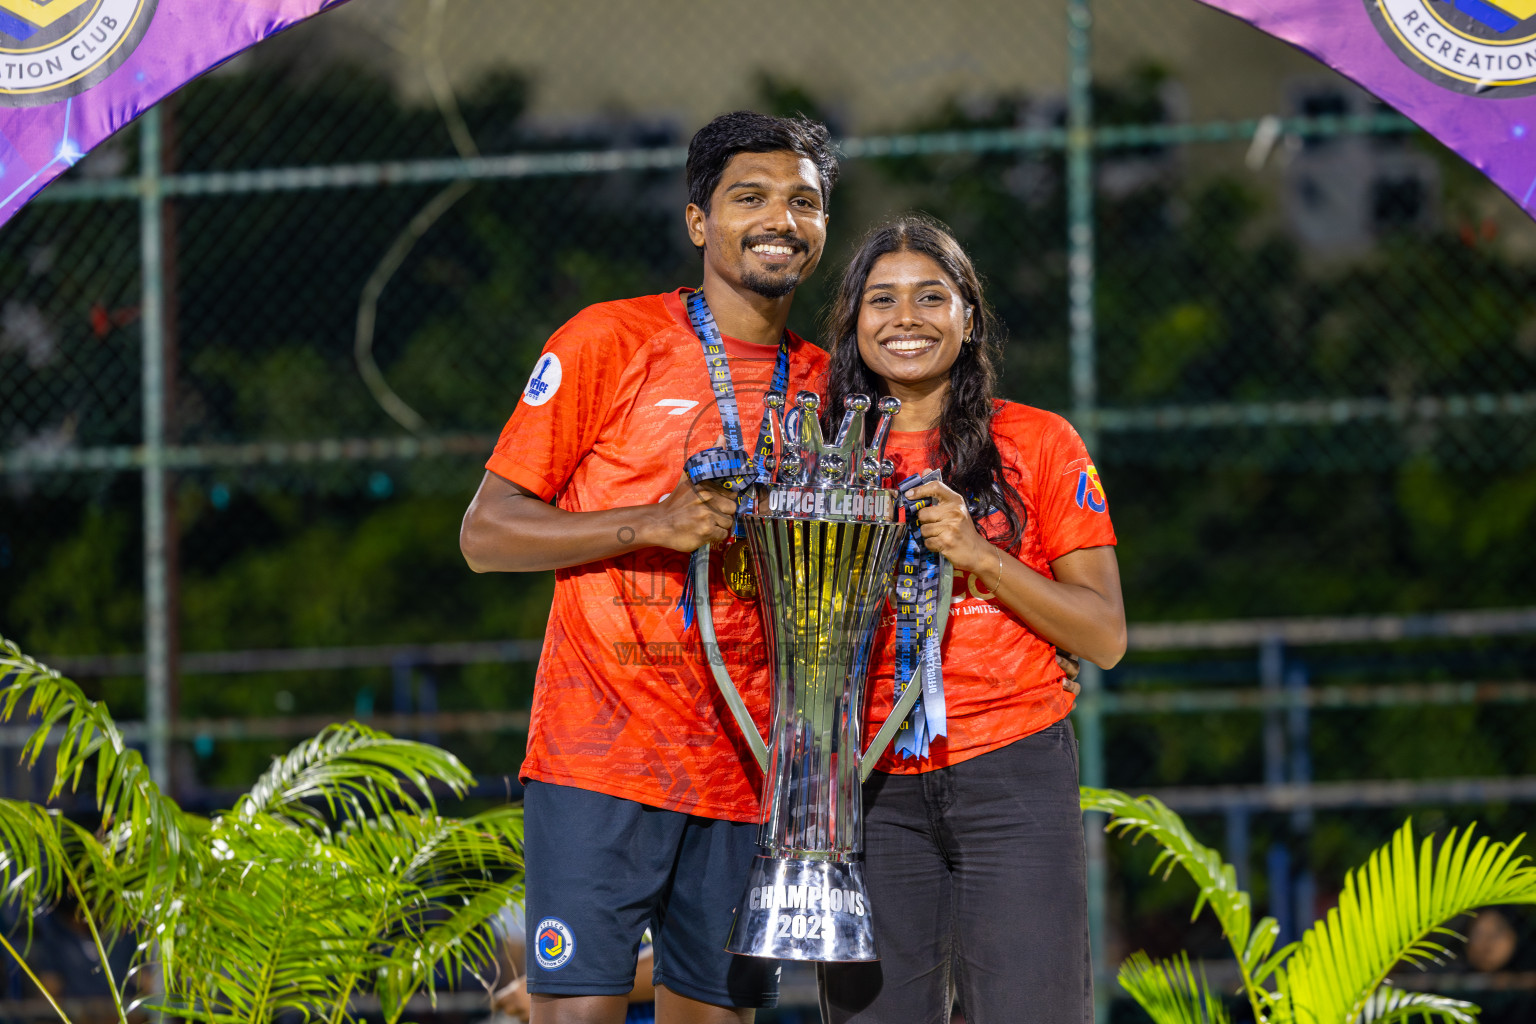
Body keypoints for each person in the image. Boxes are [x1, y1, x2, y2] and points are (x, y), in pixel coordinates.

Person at [459, 111, 838, 1024]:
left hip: (752, 765)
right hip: (602, 758)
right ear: (700, 221)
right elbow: (487, 532)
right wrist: (650, 522)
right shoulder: (610, 340)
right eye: (749, 197)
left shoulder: (832, 386)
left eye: (804, 201)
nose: (779, 218)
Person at [816, 215, 1127, 1024]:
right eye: (880, 300)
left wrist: (981, 555)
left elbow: (1103, 634)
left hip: (1012, 770)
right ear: (852, 324)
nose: (906, 317)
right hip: (867, 780)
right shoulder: (816, 457)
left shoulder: (1039, 443)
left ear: (969, 317)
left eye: (931, 296)